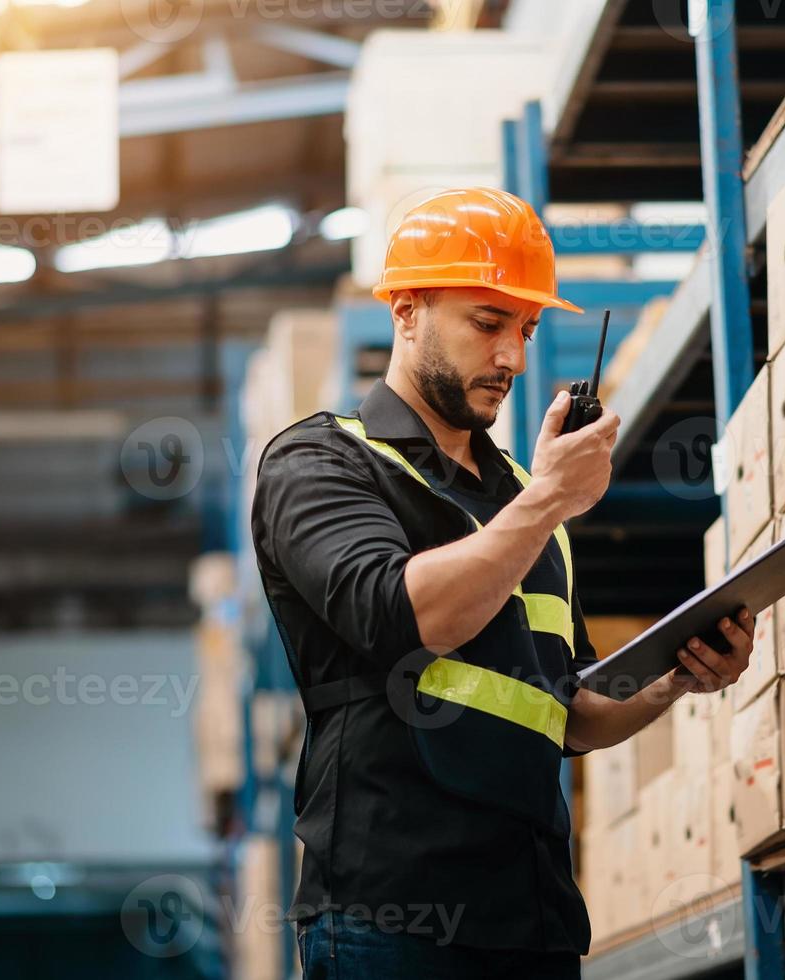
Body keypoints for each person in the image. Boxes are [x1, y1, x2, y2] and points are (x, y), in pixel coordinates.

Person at [251, 187, 755, 979]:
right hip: (393, 920)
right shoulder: (322, 464)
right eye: (487, 325)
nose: (513, 359)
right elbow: (408, 616)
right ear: (407, 311)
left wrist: (674, 679)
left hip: (532, 918)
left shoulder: (522, 495)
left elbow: (569, 712)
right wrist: (550, 496)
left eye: (526, 329)